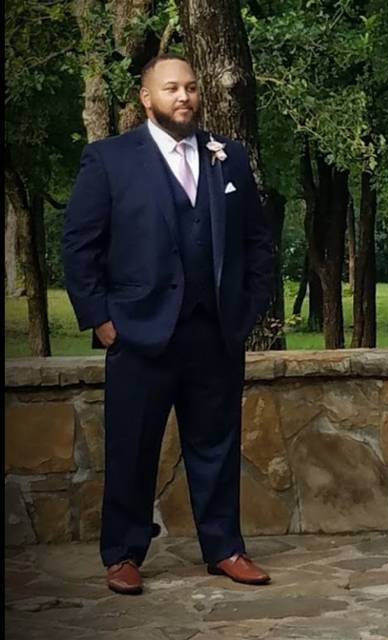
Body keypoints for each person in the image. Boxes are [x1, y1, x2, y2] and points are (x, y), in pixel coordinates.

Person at [61, 54, 275, 595]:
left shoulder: (227, 156)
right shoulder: (109, 160)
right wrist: (101, 320)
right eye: (171, 88)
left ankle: (225, 548)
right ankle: (124, 554)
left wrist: (247, 312)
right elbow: (80, 247)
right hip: (138, 334)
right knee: (132, 447)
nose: (184, 97)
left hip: (214, 333)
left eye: (191, 88)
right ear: (146, 97)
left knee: (217, 446)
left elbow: (256, 242)